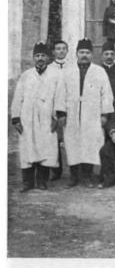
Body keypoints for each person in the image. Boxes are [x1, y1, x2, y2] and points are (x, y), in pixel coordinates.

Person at [55, 38, 114, 188]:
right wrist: (61, 113)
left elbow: (106, 94)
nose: (84, 55)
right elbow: (60, 93)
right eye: (81, 52)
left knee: (90, 144)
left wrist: (104, 114)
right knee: (72, 143)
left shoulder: (99, 71)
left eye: (87, 52)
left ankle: (87, 176)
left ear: (92, 54)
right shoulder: (67, 71)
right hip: (72, 114)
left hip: (92, 115)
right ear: (76, 53)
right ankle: (74, 176)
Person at [10, 42, 62, 192]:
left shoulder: (55, 75)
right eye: (37, 56)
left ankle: (42, 181)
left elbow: (59, 97)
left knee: (45, 148)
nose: (40, 58)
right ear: (34, 58)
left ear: (48, 57)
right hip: (28, 117)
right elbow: (18, 98)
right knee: (28, 148)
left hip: (47, 117)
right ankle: (28, 182)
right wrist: (16, 118)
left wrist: (57, 116)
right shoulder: (26, 75)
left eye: (43, 55)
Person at [47, 40, 69, 181]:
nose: (61, 51)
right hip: (54, 106)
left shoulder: (73, 67)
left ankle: (76, 170)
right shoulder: (49, 69)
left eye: (63, 48)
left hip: (70, 106)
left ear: (67, 51)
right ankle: (56, 169)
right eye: (58, 48)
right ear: (53, 52)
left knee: (71, 137)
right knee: (54, 138)